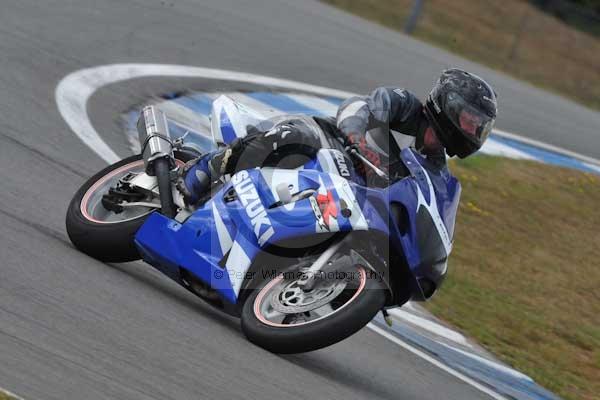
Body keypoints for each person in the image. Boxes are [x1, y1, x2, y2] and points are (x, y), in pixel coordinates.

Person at [177, 68, 498, 204]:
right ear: (449, 105)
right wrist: (357, 139)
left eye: (478, 127)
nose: (472, 131)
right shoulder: (404, 106)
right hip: (323, 144)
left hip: (342, 194)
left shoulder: (435, 167)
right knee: (294, 136)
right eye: (470, 121)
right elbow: (359, 107)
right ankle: (203, 170)